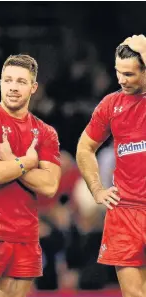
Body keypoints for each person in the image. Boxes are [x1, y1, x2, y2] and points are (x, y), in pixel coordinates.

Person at [0, 54, 62, 297]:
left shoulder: (46, 132)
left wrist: (11, 161)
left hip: (26, 236)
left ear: (33, 87)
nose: (13, 87)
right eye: (8, 80)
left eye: (21, 82)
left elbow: (50, 185)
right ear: (0, 83)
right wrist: (29, 163)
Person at [76, 34, 146, 297]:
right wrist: (96, 189)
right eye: (118, 72)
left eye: (129, 74)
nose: (121, 80)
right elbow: (85, 147)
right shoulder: (110, 105)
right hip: (124, 212)